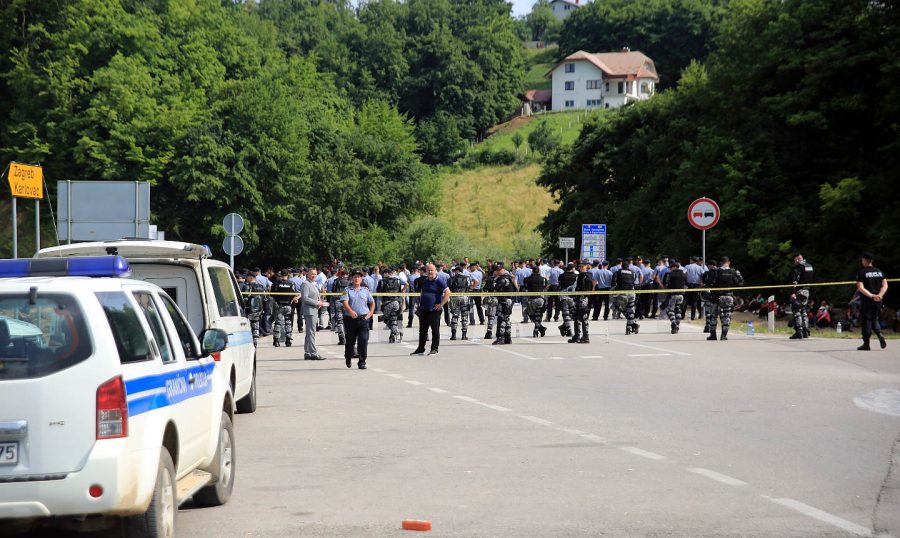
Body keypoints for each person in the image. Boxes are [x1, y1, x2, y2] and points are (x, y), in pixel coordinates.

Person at [410, 263, 450, 356]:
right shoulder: (424, 281)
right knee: (422, 330)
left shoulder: (439, 281)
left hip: (434, 310)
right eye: (428, 270)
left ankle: (434, 349)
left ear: (435, 271)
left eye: (432, 270)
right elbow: (422, 292)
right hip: (424, 309)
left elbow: (447, 292)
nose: (430, 272)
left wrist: (441, 304)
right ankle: (421, 349)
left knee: (435, 330)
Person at [341, 269, 375, 369]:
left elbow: (372, 303)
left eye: (358, 277)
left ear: (361, 279)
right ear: (351, 278)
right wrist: (350, 311)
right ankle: (348, 357)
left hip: (363, 319)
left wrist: (370, 313)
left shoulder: (365, 290)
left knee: (363, 341)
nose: (356, 279)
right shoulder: (346, 290)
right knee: (350, 342)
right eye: (355, 277)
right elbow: (344, 302)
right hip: (350, 319)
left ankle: (362, 362)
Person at [706, 256, 744, 341]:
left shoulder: (716, 271)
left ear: (720, 263)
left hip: (716, 297)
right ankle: (723, 335)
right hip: (729, 296)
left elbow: (710, 283)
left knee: (713, 316)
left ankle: (713, 335)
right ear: (729, 262)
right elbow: (740, 283)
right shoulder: (734, 271)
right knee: (727, 316)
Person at [856, 253, 888, 351]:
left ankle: (866, 344)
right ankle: (879, 334)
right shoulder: (879, 272)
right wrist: (880, 295)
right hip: (878, 300)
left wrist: (871, 296)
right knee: (874, 319)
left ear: (865, 260)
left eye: (862, 260)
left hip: (867, 301)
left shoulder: (862, 272)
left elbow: (860, 287)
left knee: (866, 321)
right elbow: (885, 285)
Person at [300, 268, 328, 360]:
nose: (314, 276)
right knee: (311, 332)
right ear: (307, 274)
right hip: (309, 311)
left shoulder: (313, 284)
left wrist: (319, 302)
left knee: (310, 332)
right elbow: (305, 298)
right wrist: (317, 303)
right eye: (312, 274)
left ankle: (308, 352)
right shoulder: (305, 284)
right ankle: (313, 353)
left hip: (313, 310)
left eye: (315, 274)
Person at [788, 253, 815, 339]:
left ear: (797, 259)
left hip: (799, 291)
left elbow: (794, 281)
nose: (795, 262)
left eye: (795, 260)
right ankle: (805, 331)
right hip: (807, 291)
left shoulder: (798, 267)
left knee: (796, 311)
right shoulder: (809, 266)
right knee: (803, 311)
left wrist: (792, 292)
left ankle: (799, 331)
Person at [270, 269, 299, 347]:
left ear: (280, 275)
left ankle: (276, 341)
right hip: (288, 305)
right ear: (288, 275)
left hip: (279, 305)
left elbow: (272, 294)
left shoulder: (276, 283)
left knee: (278, 323)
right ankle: (288, 341)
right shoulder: (291, 283)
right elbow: (294, 294)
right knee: (288, 323)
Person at [611, 258, 639, 335]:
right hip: (631, 293)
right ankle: (630, 326)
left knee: (617, 306)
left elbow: (613, 283)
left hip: (621, 294)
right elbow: (635, 283)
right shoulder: (633, 273)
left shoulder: (617, 272)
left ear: (621, 266)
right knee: (630, 309)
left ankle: (632, 323)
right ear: (628, 266)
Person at [377, 266, 404, 343]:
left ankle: (396, 332)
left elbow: (378, 291)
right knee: (393, 319)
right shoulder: (398, 281)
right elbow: (403, 287)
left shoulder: (382, 281)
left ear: (386, 273)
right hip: (396, 302)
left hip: (387, 303)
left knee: (385, 319)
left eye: (384, 273)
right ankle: (393, 334)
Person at [492, 263, 517, 345]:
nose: (496, 272)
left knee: (501, 319)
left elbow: (495, 288)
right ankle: (508, 338)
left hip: (504, 301)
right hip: (508, 300)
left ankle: (501, 338)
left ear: (502, 270)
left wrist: (494, 281)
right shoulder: (509, 278)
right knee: (506, 319)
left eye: (498, 270)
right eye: (496, 270)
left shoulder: (503, 279)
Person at [239, 271, 265, 347]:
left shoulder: (246, 287)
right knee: (256, 326)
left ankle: (249, 343)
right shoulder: (261, 286)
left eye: (247, 277)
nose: (246, 278)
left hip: (249, 310)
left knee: (248, 327)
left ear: (251, 277)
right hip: (258, 310)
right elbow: (265, 298)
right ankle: (255, 342)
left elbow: (244, 299)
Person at [570, 261, 594, 343]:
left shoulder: (587, 276)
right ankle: (577, 336)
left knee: (583, 317)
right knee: (576, 317)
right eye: (579, 266)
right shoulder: (580, 275)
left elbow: (588, 289)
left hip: (583, 299)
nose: (580, 267)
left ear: (586, 266)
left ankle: (585, 336)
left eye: (582, 266)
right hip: (577, 298)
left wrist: (583, 297)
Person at [448, 266, 472, 340]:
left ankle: (453, 335)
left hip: (455, 297)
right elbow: (469, 287)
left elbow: (449, 288)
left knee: (455, 316)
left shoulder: (451, 278)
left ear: (457, 271)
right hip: (464, 297)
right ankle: (464, 335)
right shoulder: (467, 278)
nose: (454, 272)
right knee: (464, 316)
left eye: (455, 271)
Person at [663, 259, 687, 334]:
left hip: (672, 295)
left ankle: (674, 323)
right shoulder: (684, 274)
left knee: (669, 310)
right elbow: (686, 284)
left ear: (675, 267)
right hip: (681, 295)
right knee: (678, 309)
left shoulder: (669, 274)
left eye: (671, 267)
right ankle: (677, 324)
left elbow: (665, 284)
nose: (670, 269)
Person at [523, 266, 549, 337]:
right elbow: (545, 287)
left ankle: (536, 330)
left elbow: (525, 287)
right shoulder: (543, 279)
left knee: (531, 315)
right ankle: (540, 328)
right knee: (538, 316)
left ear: (532, 271)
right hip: (540, 299)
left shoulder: (527, 279)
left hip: (531, 300)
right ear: (539, 271)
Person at [329, 268, 350, 346]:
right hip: (346, 302)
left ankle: (341, 338)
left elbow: (333, 291)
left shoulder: (336, 281)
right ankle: (348, 337)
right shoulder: (349, 282)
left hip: (337, 301)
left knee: (339, 320)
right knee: (347, 320)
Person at [557, 262, 577, 337]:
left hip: (563, 296)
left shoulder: (561, 276)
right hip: (572, 296)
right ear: (572, 268)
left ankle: (565, 327)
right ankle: (568, 330)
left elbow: (559, 284)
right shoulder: (576, 276)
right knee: (572, 313)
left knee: (565, 313)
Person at [482, 267, 498, 340]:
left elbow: (485, 289)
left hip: (492, 299)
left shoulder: (490, 279)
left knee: (491, 316)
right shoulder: (503, 278)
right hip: (499, 299)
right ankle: (493, 332)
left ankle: (489, 332)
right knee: (498, 317)